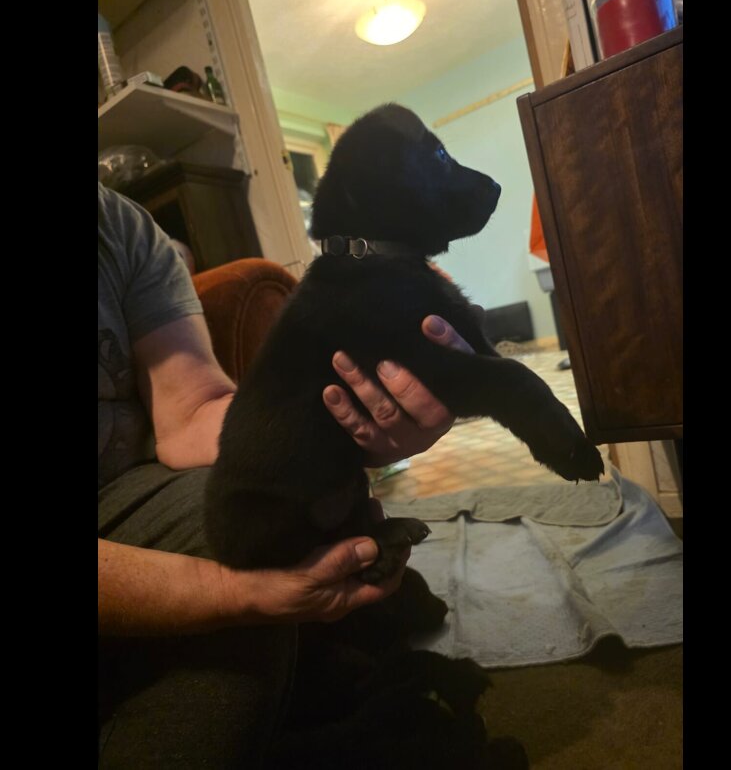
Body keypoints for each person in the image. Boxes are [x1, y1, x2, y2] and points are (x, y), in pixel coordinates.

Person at [97, 182, 473, 767]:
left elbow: (191, 413)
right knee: (250, 554)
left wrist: (342, 424)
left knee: (269, 509)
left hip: (122, 493)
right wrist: (233, 594)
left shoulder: (120, 225)